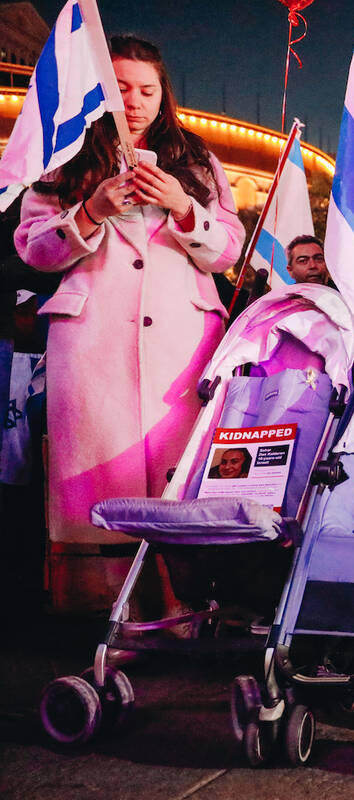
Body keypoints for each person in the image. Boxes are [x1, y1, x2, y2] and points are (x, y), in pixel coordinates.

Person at [15, 35, 245, 614]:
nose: (136, 102)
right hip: (95, 349)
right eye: (121, 89)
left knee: (179, 481)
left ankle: (188, 615)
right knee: (106, 484)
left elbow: (227, 252)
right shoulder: (64, 157)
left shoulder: (197, 159)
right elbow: (33, 250)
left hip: (182, 347)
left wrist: (184, 206)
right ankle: (110, 623)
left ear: (163, 94)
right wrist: (91, 210)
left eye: (148, 89)